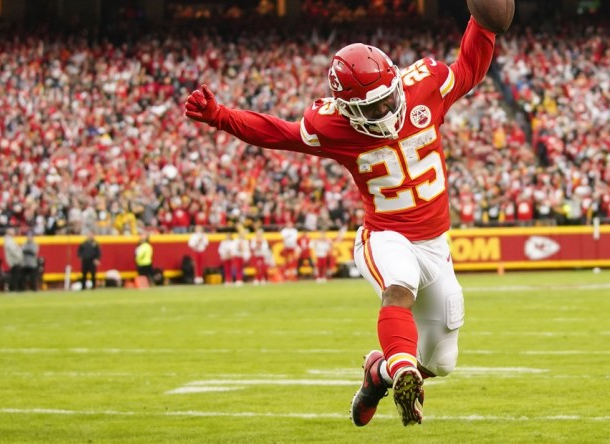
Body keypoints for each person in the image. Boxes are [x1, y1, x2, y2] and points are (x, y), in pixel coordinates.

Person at [185, 14, 495, 427]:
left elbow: (469, 67)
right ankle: (400, 369)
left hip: (435, 244)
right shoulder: (330, 125)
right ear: (349, 107)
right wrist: (220, 115)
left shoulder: (424, 86)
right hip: (385, 235)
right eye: (373, 106)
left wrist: (484, 22)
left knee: (442, 362)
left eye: (389, 97)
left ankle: (379, 372)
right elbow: (278, 132)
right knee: (398, 286)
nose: (386, 108)